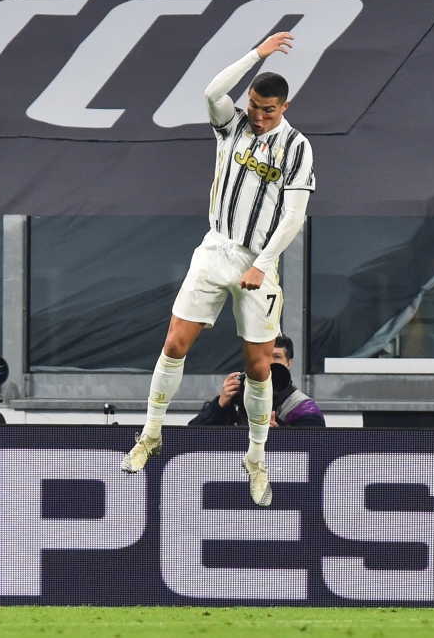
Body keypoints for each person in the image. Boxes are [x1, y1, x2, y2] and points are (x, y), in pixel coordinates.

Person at [121, 31, 315, 508]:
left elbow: (293, 216)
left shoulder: (297, 149)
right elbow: (211, 92)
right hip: (216, 248)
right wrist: (257, 54)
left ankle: (255, 456)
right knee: (174, 342)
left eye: (268, 109)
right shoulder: (231, 127)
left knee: (258, 366)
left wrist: (264, 265)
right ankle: (150, 435)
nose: (258, 114)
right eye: (254, 104)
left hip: (258, 262)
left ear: (285, 108)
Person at [189, 335, 325, 427]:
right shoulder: (236, 394)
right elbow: (190, 437)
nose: (269, 363)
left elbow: (316, 447)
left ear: (289, 363)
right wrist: (219, 406)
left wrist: (281, 435)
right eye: (263, 357)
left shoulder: (301, 407)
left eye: (277, 357)